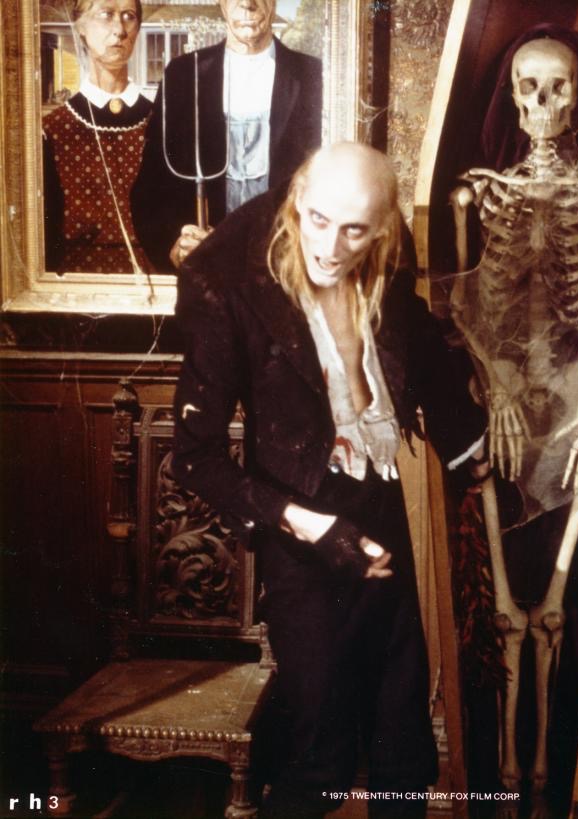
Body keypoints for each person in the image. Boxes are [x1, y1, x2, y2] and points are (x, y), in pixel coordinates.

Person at [171, 143, 487, 818]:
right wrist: (312, 526)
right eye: (317, 219)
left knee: (405, 753)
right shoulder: (228, 285)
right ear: (297, 200)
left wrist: (475, 450)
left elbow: (425, 358)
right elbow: (195, 457)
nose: (330, 246)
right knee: (322, 763)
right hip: (298, 524)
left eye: (354, 229)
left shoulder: (386, 267)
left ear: (383, 227)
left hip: (378, 506)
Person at [131, 0, 322, 273]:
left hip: (286, 269)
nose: (247, 4)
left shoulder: (313, 76)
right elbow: (151, 187)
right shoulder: (184, 75)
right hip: (208, 270)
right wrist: (174, 247)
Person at [43, 0, 152, 274]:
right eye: (106, 15)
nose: (119, 30)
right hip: (77, 288)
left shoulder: (163, 124)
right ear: (81, 27)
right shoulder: (52, 131)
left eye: (129, 16)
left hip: (154, 288)